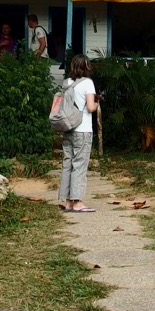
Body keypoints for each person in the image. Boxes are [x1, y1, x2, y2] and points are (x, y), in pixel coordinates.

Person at [58, 54, 99, 213]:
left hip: (68, 128)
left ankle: (68, 202)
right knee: (80, 165)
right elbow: (90, 108)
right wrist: (96, 102)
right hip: (82, 130)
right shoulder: (88, 83)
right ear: (86, 66)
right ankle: (77, 202)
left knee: (68, 163)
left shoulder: (67, 83)